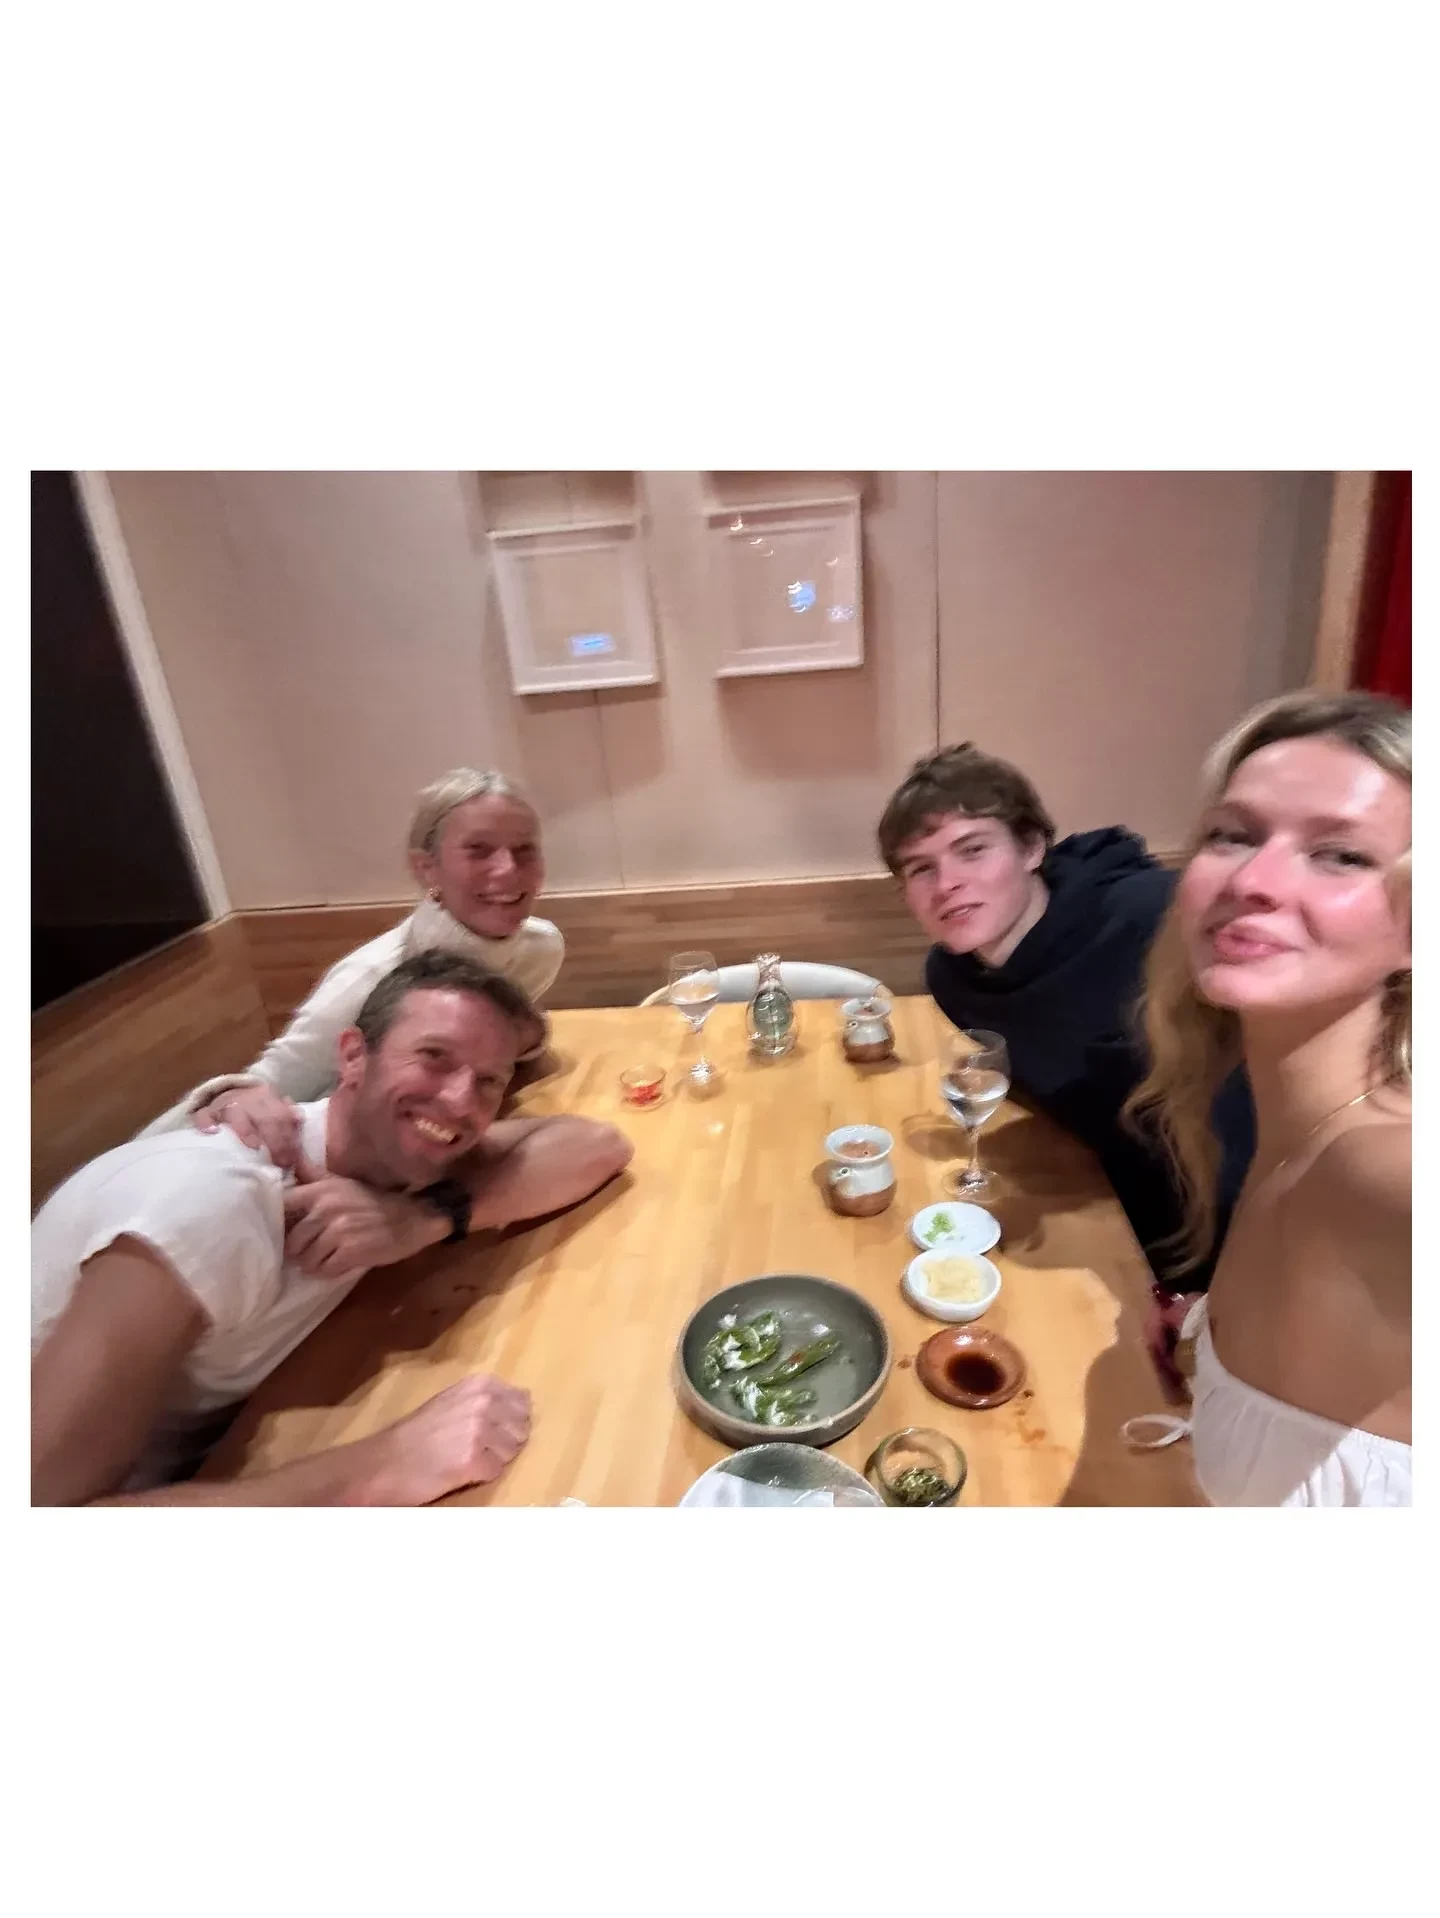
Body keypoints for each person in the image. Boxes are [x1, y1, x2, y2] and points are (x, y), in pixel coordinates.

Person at [32, 952, 633, 1505]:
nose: (459, 1101)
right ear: (351, 1056)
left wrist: (421, 1221)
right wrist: (381, 1467)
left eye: (488, 1081)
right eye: (434, 1057)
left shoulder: (402, 1159)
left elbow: (594, 1144)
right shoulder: (212, 1205)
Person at [1126, 690, 1410, 1506]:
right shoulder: (1282, 1117)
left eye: (1341, 855)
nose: (1253, 879)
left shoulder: (1380, 1164)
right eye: (1233, 835)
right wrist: (1212, 1328)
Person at [877, 743, 1256, 1318]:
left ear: (1032, 847)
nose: (947, 882)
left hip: (1238, 1232)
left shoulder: (1150, 918)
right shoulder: (953, 979)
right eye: (920, 868)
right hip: (1105, 1212)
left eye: (972, 850)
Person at [143, 768, 564, 1163]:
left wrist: (527, 1037)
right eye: (479, 851)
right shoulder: (372, 978)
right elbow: (269, 1084)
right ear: (426, 868)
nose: (507, 870)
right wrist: (225, 1099)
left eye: (524, 851)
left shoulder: (540, 950)